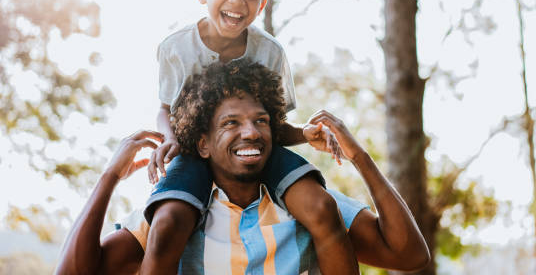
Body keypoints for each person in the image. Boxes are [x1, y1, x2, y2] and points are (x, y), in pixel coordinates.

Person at [55, 59, 430, 274]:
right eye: (231, 123)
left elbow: (408, 255)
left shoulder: (309, 205)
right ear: (202, 143)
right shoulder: (174, 213)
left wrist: (359, 158)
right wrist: (108, 179)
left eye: (261, 121)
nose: (250, 132)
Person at [145, 0, 353, 274]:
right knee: (167, 223)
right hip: (195, 150)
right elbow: (165, 108)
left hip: (256, 153)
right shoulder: (176, 47)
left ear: (262, 4)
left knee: (322, 207)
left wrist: (304, 134)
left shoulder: (270, 53)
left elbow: (275, 125)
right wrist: (169, 138)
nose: (237, 1)